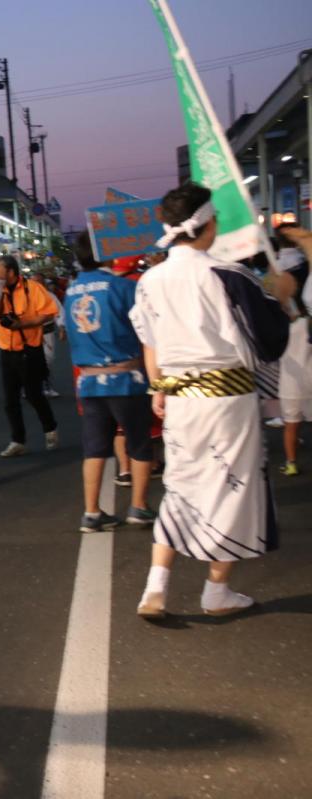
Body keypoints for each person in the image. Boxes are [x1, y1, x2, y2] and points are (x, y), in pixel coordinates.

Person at [129, 183, 291, 619]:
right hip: (228, 401)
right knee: (234, 490)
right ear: (204, 223)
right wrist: (282, 298)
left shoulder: (150, 279)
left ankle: (155, 587)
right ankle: (215, 590)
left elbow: (151, 342)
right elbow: (269, 342)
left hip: (180, 399)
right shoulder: (229, 275)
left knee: (180, 485)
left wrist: (158, 390)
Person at [64, 232, 156, 533]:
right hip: (126, 380)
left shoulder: (71, 291)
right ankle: (139, 507)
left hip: (89, 382)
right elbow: (146, 329)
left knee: (94, 448)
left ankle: (91, 512)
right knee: (140, 442)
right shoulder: (124, 287)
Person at [0, 254, 60, 457]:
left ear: (10, 271)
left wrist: (22, 324)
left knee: (34, 394)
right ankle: (18, 440)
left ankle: (50, 428)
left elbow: (48, 313)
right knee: (10, 400)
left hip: (29, 350)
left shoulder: (33, 288)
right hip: (7, 351)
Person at [275, 224, 312, 475]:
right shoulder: (302, 267)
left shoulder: (285, 325)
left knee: (291, 423)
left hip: (292, 378)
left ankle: (290, 463)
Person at [32, 273, 65, 398]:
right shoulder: (24, 297)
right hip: (30, 333)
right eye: (34, 282)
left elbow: (60, 312)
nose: (37, 285)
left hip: (47, 332)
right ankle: (31, 387)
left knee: (48, 359)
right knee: (30, 360)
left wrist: (61, 327)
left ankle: (46, 385)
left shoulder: (50, 296)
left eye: (39, 282)